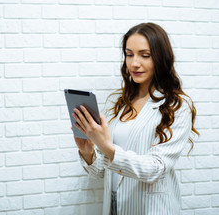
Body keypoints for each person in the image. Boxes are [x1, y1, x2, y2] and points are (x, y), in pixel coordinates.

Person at [71, 22, 199, 215]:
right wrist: (89, 153)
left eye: (144, 55)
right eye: (129, 54)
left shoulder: (177, 105)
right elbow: (105, 171)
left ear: (161, 58)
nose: (134, 63)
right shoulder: (121, 102)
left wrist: (106, 147)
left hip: (151, 208)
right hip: (114, 205)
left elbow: (156, 168)